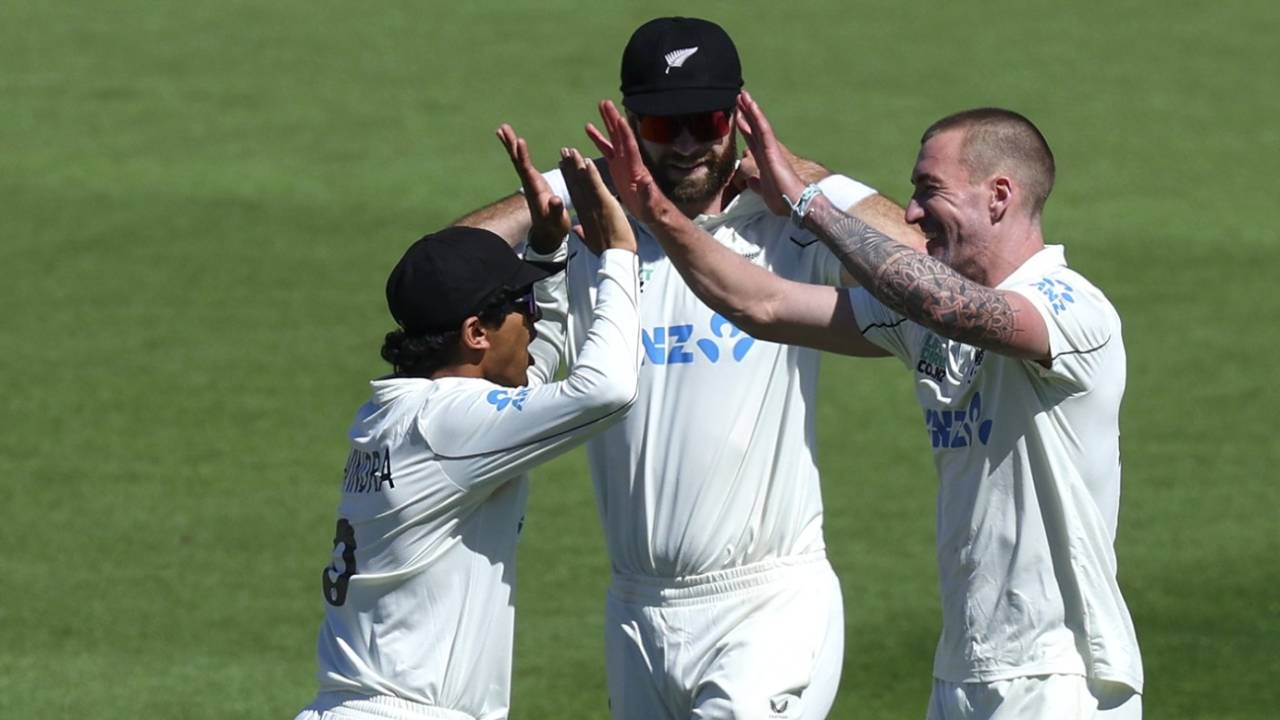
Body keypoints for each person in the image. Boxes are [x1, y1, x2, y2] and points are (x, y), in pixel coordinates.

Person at [585, 92, 1144, 718]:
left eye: (930, 189)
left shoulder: (1070, 307)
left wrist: (807, 202)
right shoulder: (930, 322)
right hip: (963, 674)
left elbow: (948, 306)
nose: (910, 211)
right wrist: (658, 213)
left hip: (1059, 676)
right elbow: (761, 306)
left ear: (999, 195)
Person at [458, 17, 925, 720]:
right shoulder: (594, 236)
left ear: (738, 115)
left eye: (704, 122)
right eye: (660, 126)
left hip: (767, 604)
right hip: (635, 613)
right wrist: (563, 189)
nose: (684, 147)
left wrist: (807, 187)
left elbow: (928, 268)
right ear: (627, 125)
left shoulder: (787, 224)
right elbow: (438, 268)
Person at [293, 149, 642, 720]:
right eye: (520, 305)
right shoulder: (447, 426)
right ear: (476, 333)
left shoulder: (407, 412)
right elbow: (607, 391)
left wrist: (548, 253)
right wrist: (620, 259)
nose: (531, 317)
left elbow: (527, 374)